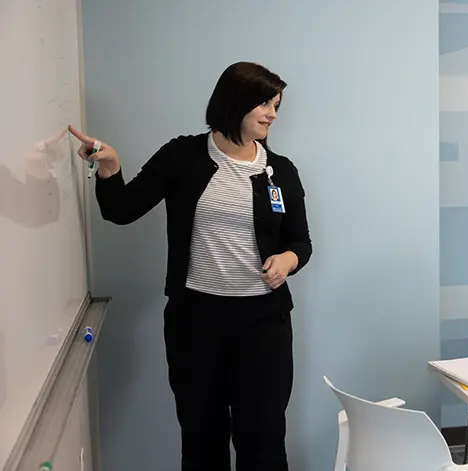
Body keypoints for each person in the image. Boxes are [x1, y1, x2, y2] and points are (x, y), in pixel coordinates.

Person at [68, 61, 311, 471]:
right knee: (201, 439)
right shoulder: (184, 156)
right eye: (264, 104)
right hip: (197, 321)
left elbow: (300, 243)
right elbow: (122, 210)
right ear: (234, 103)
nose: (272, 113)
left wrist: (286, 261)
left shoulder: (281, 171)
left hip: (264, 324)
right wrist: (109, 167)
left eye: (276, 104)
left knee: (264, 440)